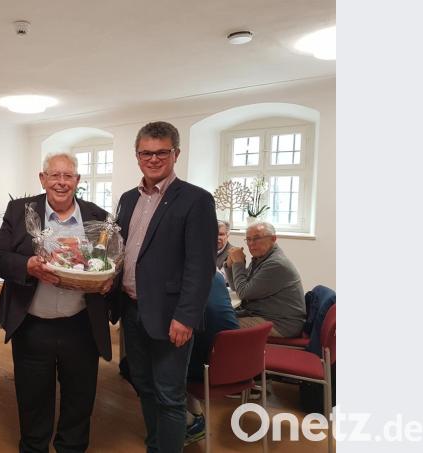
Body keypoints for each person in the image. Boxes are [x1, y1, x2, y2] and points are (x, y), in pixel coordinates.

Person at [0, 152, 112, 453]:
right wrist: (27, 266)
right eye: (54, 175)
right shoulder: (21, 211)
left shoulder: (98, 216)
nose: (61, 182)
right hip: (33, 327)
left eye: (68, 176)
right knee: (32, 400)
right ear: (42, 179)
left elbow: (112, 262)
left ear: (77, 180)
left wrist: (109, 280)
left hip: (81, 326)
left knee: (80, 400)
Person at [110, 121, 218, 453]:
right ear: (137, 155)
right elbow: (120, 251)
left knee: (169, 396)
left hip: (171, 317)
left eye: (161, 152)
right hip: (132, 310)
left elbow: (201, 266)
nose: (153, 159)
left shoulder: (196, 200)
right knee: (143, 385)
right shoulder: (128, 199)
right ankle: (155, 445)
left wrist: (186, 317)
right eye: (146, 153)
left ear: (176, 154)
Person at [183, 272, 238, 446]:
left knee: (143, 367)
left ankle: (190, 423)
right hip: (236, 363)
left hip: (209, 368)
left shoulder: (187, 279)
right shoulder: (218, 276)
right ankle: (195, 415)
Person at [225, 221, 306, 338]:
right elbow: (237, 288)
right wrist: (230, 265)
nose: (251, 244)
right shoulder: (261, 258)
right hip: (263, 315)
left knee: (221, 323)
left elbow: (243, 293)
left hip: (281, 324)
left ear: (273, 239)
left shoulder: (276, 264)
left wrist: (238, 263)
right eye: (248, 239)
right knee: (219, 316)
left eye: (257, 238)